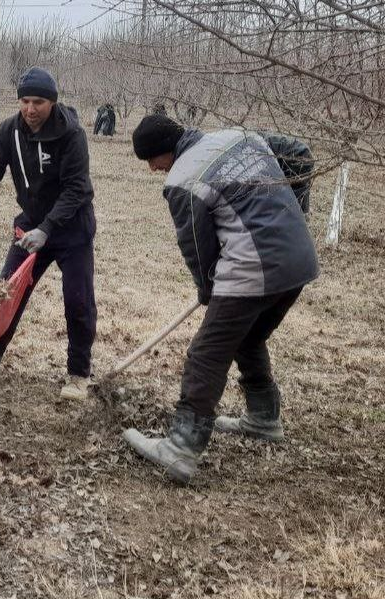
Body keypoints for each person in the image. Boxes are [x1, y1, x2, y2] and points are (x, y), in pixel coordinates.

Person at [123, 114, 319, 484]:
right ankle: (263, 418)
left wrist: (207, 290)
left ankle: (181, 446)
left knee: (206, 354)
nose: (153, 169)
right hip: (299, 260)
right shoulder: (240, 137)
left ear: (164, 151)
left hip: (254, 266)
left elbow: (197, 247)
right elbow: (299, 152)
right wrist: (296, 212)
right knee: (248, 338)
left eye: (151, 160)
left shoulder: (183, 180)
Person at [0, 67, 99, 401]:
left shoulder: (72, 134)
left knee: (78, 300)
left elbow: (76, 189)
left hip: (72, 229)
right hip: (30, 226)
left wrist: (48, 228)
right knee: (7, 294)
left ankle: (78, 374)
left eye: (38, 102)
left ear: (52, 102)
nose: (30, 109)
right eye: (25, 101)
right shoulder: (9, 130)